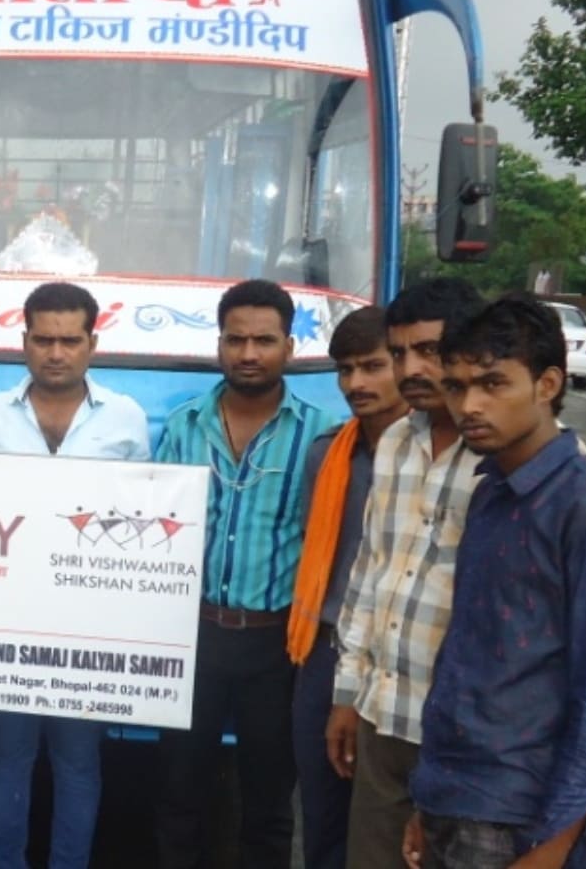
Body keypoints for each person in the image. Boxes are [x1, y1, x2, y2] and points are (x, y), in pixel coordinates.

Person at [405, 295, 586, 868]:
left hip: (520, 820)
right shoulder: (491, 492)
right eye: (456, 386)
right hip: (453, 796)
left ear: (547, 385)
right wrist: (429, 797)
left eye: (493, 383)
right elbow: (469, 658)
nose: (469, 405)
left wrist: (553, 848)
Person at [0, 281, 151, 869]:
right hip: (7, 616)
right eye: (43, 339)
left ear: (92, 344)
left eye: (69, 341)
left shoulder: (125, 417)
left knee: (77, 761)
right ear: (24, 341)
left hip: (88, 623)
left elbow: (143, 519)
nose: (55, 353)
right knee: (9, 755)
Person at [152, 279, 336, 869]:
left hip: (277, 645)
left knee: (268, 801)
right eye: (236, 340)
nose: (248, 353)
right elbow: (152, 529)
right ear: (219, 345)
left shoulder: (322, 435)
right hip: (192, 637)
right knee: (179, 791)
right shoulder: (183, 426)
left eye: (264, 340)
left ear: (289, 347)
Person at [327, 279, 486, 869]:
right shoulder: (396, 441)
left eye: (429, 351)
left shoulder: (507, 454)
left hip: (465, 734)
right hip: (383, 715)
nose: (411, 369)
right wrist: (347, 696)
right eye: (399, 353)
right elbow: (370, 575)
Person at [286, 307, 407, 869]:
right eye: (345, 370)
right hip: (326, 650)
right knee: (322, 810)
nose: (356, 383)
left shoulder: (436, 459)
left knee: (389, 820)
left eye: (372, 366)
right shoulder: (327, 454)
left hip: (402, 659)